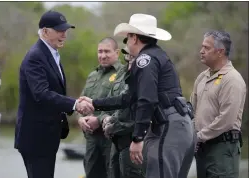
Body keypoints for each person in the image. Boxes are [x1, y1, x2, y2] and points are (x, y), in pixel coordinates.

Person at [79, 13, 195, 178]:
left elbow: (146, 100)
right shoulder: (154, 55)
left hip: (168, 125)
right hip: (174, 124)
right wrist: (95, 103)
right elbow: (128, 98)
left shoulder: (145, 59)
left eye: (127, 38)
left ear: (134, 38)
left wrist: (137, 138)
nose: (126, 42)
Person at [14, 10, 93, 178]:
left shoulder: (51, 53)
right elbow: (41, 94)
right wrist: (75, 104)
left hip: (47, 137)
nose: (64, 34)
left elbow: (53, 91)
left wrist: (75, 101)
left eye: (65, 30)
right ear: (45, 31)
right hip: (35, 138)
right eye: (59, 30)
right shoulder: (35, 56)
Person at [190, 30, 246, 178]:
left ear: (220, 52)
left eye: (206, 48)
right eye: (202, 47)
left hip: (222, 149)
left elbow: (226, 120)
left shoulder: (232, 79)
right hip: (202, 148)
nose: (201, 51)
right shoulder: (202, 77)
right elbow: (191, 110)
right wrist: (192, 135)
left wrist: (199, 136)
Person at [77, 37, 123, 178]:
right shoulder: (93, 76)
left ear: (117, 53)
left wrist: (99, 119)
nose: (103, 55)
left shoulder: (124, 74)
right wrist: (80, 119)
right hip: (91, 140)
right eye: (100, 51)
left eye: (107, 51)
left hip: (112, 140)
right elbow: (81, 101)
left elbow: (123, 105)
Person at [100, 44, 145, 178]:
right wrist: (108, 119)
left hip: (134, 139)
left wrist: (114, 125)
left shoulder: (145, 74)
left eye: (132, 54)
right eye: (127, 54)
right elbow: (113, 101)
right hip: (117, 139)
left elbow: (142, 111)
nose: (129, 57)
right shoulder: (121, 73)